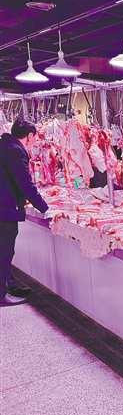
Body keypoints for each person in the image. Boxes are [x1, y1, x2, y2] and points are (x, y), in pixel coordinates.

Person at [0, 119, 49, 306]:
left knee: (5, 250)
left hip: (4, 206)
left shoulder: (5, 145)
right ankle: (1, 295)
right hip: (4, 209)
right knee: (5, 251)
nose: (35, 142)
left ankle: (9, 285)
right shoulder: (15, 151)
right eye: (34, 138)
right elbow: (25, 184)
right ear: (29, 136)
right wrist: (45, 208)